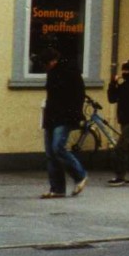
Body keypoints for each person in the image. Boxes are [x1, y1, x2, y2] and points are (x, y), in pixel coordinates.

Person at [40, 47, 87, 198]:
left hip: (64, 116)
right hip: (52, 115)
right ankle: (57, 189)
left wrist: (74, 115)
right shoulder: (55, 72)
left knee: (57, 147)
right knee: (51, 152)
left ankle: (80, 175)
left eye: (46, 65)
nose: (45, 68)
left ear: (52, 61)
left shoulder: (69, 72)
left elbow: (78, 94)